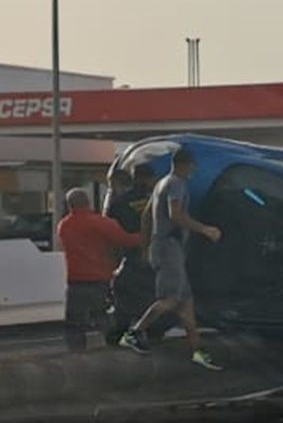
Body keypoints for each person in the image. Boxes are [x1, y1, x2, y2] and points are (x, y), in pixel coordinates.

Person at [118, 148, 224, 371]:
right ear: (186, 165)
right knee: (171, 299)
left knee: (186, 301)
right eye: (193, 166)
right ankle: (134, 332)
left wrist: (146, 247)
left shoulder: (159, 184)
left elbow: (147, 216)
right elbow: (176, 215)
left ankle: (197, 350)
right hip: (168, 247)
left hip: (164, 246)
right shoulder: (176, 183)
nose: (194, 170)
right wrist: (205, 229)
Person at [56, 188, 142, 351]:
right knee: (103, 318)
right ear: (88, 202)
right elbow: (125, 240)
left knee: (75, 323)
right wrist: (146, 235)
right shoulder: (100, 222)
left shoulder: (63, 226)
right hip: (99, 278)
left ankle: (76, 356)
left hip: (75, 281)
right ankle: (116, 351)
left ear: (69, 205)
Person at [103, 164, 162, 345]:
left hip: (131, 257)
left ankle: (117, 336)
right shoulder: (158, 199)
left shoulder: (119, 202)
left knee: (126, 300)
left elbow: (110, 234)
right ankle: (151, 334)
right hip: (157, 256)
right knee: (155, 297)